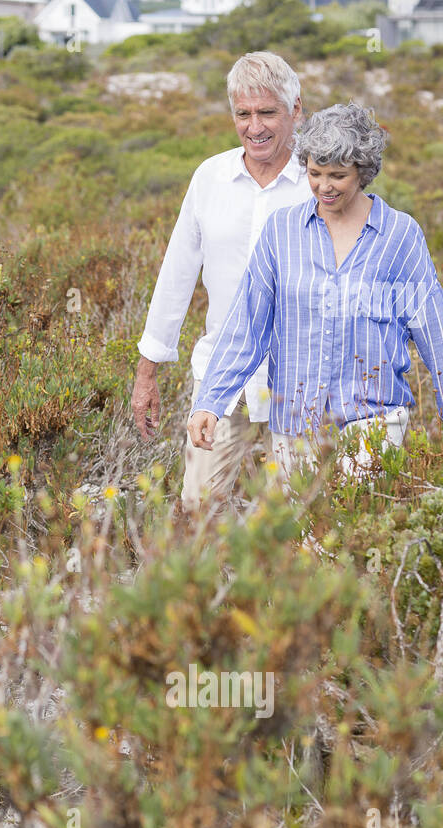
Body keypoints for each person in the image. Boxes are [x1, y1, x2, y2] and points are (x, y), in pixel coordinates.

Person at [187, 102, 443, 486]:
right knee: (303, 542)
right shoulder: (282, 232)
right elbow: (246, 326)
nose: (324, 187)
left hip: (375, 422)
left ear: (363, 172)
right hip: (295, 424)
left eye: (338, 176)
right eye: (314, 173)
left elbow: (437, 336)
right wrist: (211, 401)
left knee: (348, 532)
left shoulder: (400, 236)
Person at [131, 51, 314, 517]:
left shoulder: (322, 183)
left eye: (268, 112)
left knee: (302, 519)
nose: (255, 127)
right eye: (243, 114)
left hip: (302, 384)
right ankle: (213, 594)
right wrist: (147, 371)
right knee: (197, 507)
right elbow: (177, 272)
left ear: (296, 111)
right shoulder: (209, 177)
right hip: (221, 379)